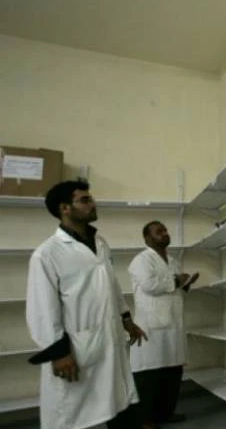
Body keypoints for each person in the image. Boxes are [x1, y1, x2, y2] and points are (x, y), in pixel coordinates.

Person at [26, 180, 148, 429]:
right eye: (84, 200)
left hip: (108, 338)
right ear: (65, 208)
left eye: (90, 198)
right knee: (71, 414)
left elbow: (111, 285)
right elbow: (42, 309)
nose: (93, 204)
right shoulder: (47, 254)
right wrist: (58, 353)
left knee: (119, 401)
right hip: (77, 347)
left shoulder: (100, 243)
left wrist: (127, 319)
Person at [129, 221, 199, 426]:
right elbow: (149, 285)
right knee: (149, 375)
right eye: (159, 231)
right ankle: (146, 420)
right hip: (151, 326)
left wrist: (186, 284)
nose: (164, 233)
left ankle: (166, 413)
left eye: (165, 230)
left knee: (173, 372)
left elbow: (174, 288)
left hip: (173, 325)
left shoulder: (173, 261)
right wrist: (178, 281)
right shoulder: (141, 260)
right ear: (147, 238)